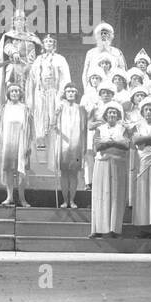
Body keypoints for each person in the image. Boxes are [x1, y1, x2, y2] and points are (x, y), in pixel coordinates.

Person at [90, 104, 129, 237]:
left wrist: (108, 143)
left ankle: (114, 229)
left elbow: (126, 145)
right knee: (100, 195)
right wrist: (114, 143)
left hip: (117, 164)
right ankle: (98, 229)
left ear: (118, 116)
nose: (112, 115)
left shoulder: (123, 129)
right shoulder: (99, 129)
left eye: (114, 113)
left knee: (116, 196)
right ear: (105, 116)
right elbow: (97, 147)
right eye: (109, 113)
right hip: (102, 164)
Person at [0, 83, 33, 207]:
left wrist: (29, 145)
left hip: (21, 142)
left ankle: (22, 198)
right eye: (12, 91)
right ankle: (9, 197)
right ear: (8, 93)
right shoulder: (3, 108)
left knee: (21, 171)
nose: (14, 93)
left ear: (20, 93)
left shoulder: (25, 109)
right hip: (7, 142)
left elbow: (30, 128)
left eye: (17, 91)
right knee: (9, 170)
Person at [29, 33, 70, 153]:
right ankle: (40, 143)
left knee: (53, 116)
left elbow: (65, 78)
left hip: (54, 91)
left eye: (51, 41)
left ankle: (54, 144)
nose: (48, 43)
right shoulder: (38, 59)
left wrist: (62, 95)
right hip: (40, 92)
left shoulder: (60, 59)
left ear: (54, 44)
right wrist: (31, 96)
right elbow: (32, 79)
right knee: (40, 115)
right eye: (46, 41)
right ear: (43, 44)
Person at [0, 9, 42, 113]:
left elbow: (39, 51)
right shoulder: (9, 35)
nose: (19, 22)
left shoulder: (32, 37)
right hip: (14, 67)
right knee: (12, 91)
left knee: (29, 93)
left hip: (28, 68)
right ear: (14, 22)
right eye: (17, 19)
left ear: (25, 21)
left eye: (22, 19)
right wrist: (13, 52)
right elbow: (7, 46)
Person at [52, 81, 88, 209]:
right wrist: (55, 117)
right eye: (68, 91)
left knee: (73, 173)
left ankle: (72, 200)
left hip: (76, 144)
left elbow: (84, 129)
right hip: (63, 145)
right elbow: (54, 127)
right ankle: (64, 200)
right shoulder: (60, 108)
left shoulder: (81, 109)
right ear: (65, 93)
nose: (71, 93)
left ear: (76, 93)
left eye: (73, 91)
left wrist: (83, 146)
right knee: (64, 173)